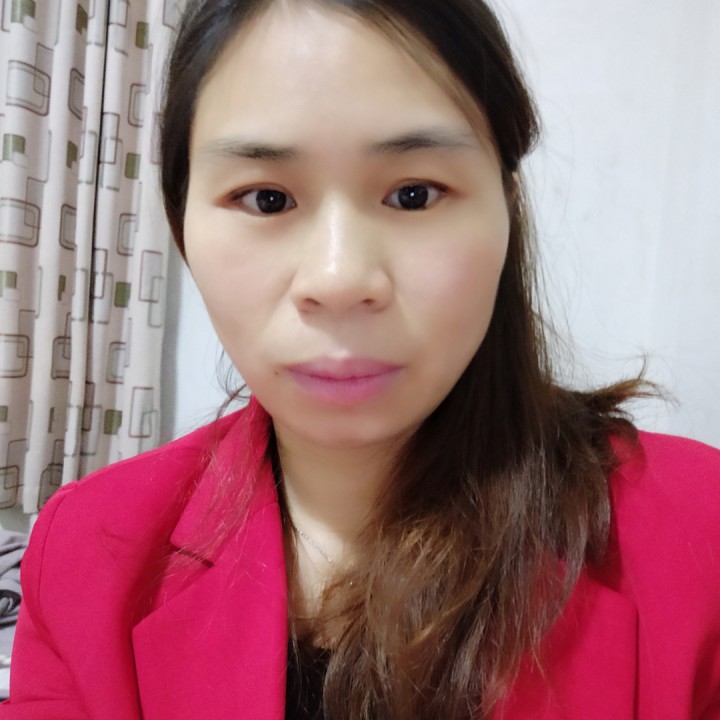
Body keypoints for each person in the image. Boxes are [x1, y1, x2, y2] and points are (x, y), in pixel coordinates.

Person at [2, 0, 720, 718]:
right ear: (181, 225)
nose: (339, 280)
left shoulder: (700, 537)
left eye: (413, 195)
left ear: (506, 209)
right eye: (267, 199)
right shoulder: (87, 555)